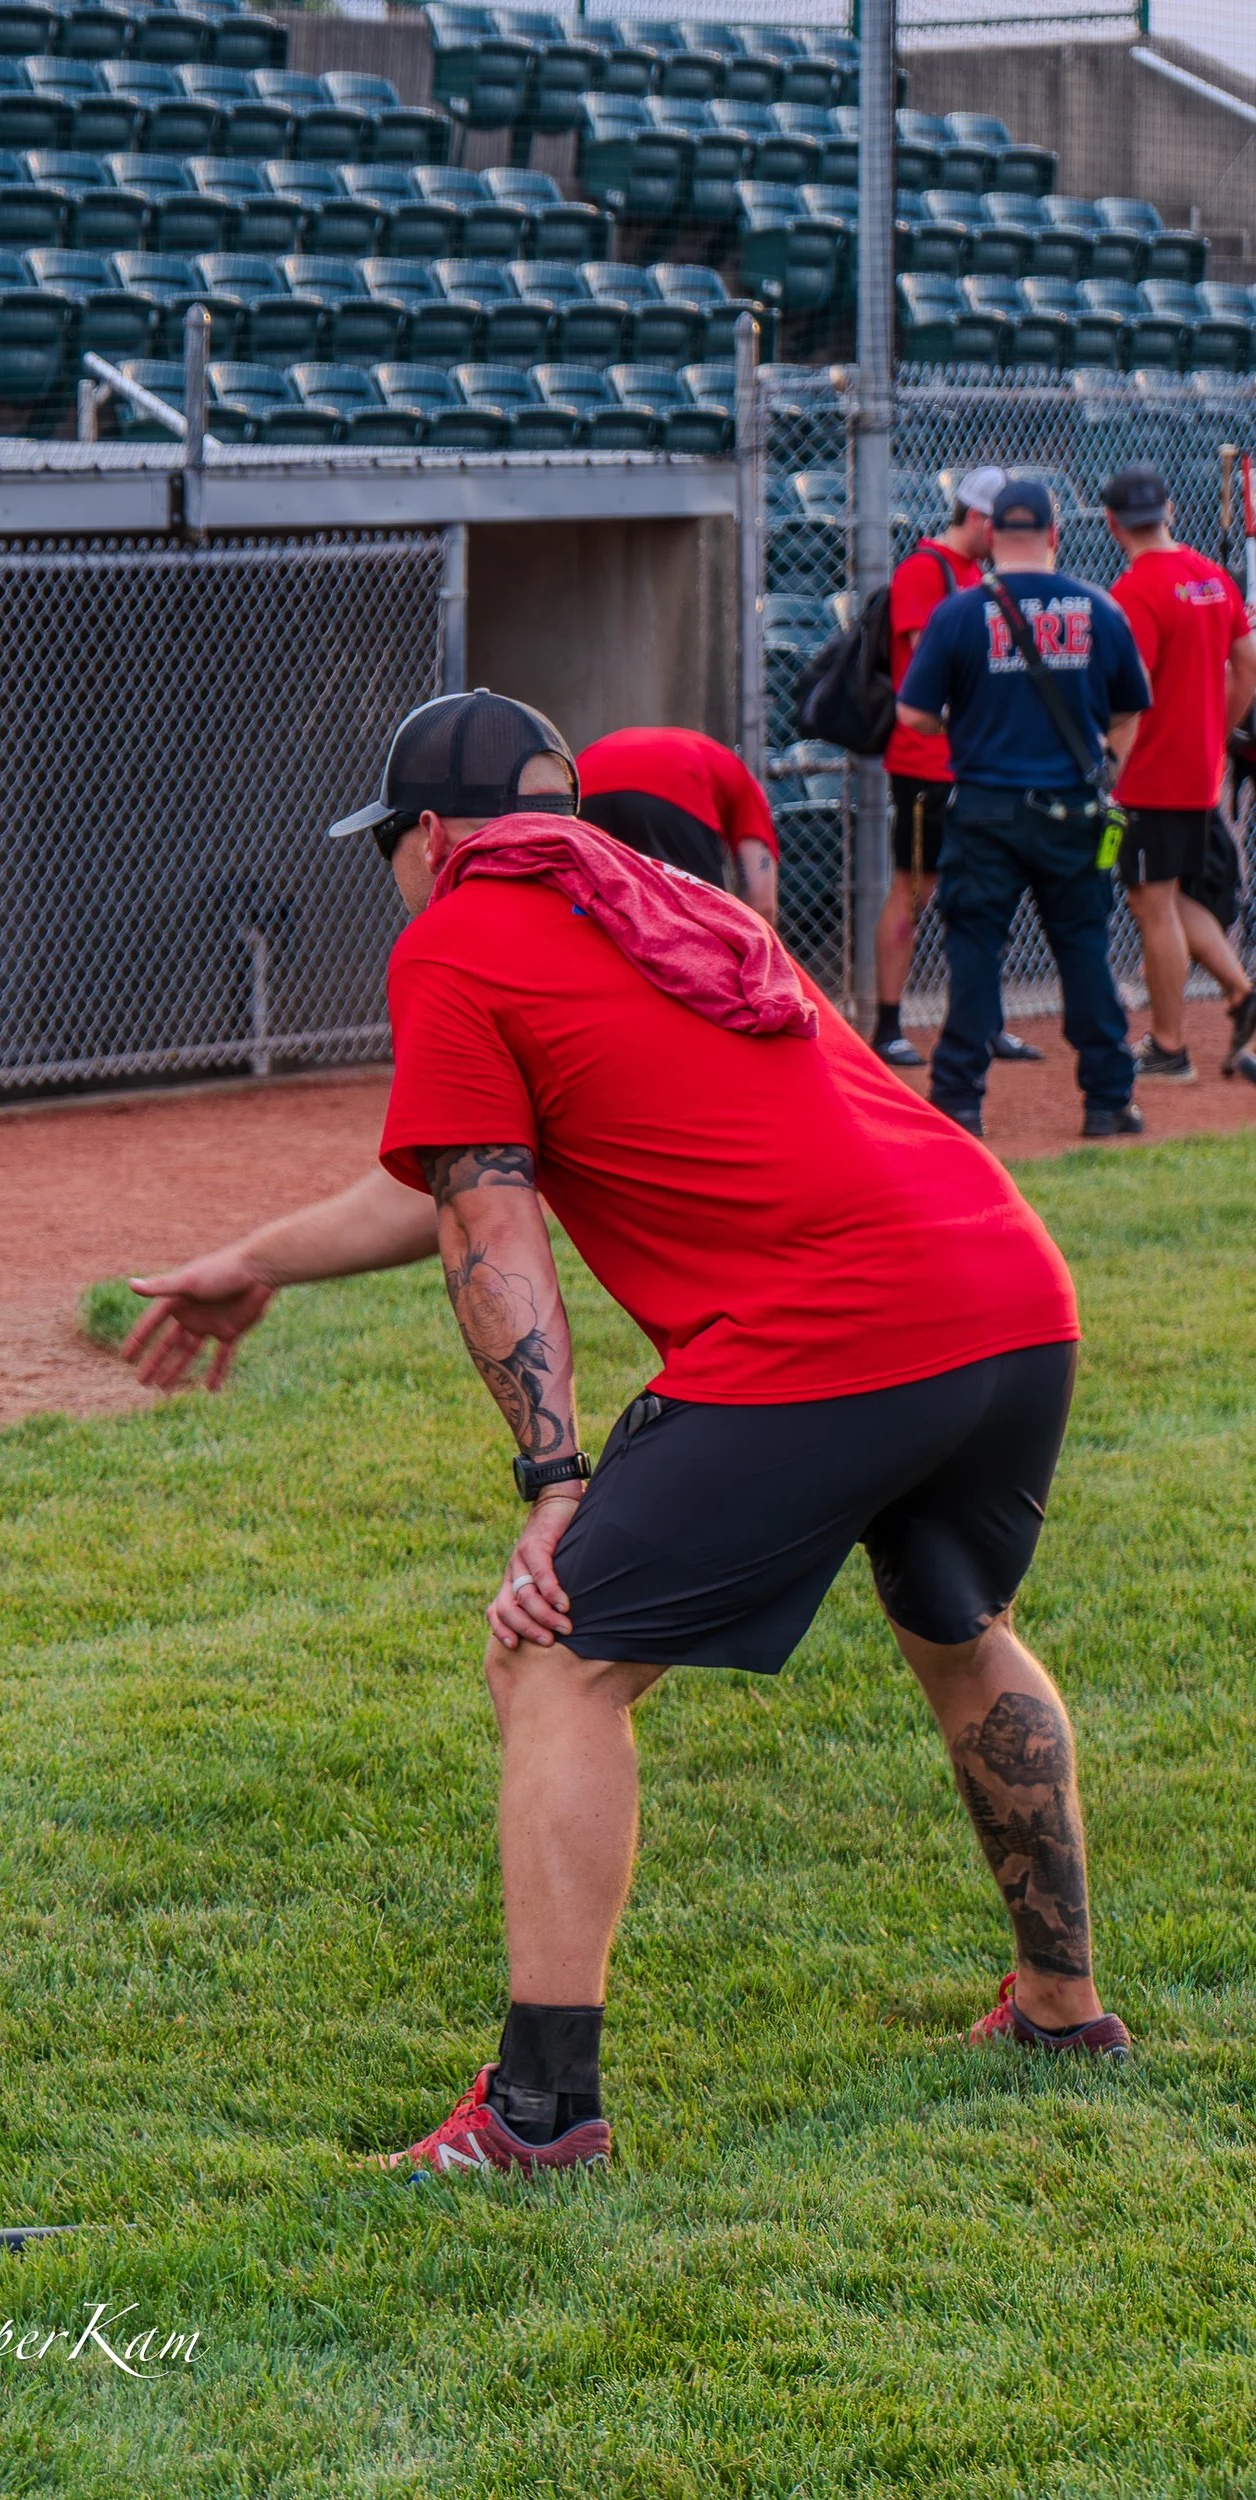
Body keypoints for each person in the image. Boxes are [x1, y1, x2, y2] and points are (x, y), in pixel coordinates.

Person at [299, 689, 1127, 2178]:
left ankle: (542, 2115)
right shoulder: (661, 895)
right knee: (957, 1620)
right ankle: (1065, 2010)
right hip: (1007, 1287)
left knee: (556, 1657)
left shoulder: (451, 936)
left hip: (836, 1325)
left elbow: (489, 1217)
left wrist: (555, 1479)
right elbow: (467, 1179)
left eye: (394, 851)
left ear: (429, 838)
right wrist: (257, 1260)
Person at [894, 476, 1151, 1142]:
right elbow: (1129, 708)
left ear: (991, 538)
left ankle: (958, 1102)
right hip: (1074, 809)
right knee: (1085, 950)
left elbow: (913, 713)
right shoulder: (1098, 608)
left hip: (985, 809)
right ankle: (1107, 1101)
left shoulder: (957, 612)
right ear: (1055, 535)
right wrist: (1109, 767)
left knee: (975, 950)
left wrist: (969, 723)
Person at [1100, 462, 1256, 1086]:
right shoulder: (1212, 577)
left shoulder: (1133, 591)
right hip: (1198, 769)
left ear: (1112, 524)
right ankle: (1243, 997)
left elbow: (1126, 698)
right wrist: (1217, 730)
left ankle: (1169, 1045)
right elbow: (1246, 662)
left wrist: (1110, 769)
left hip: (1148, 775)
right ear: (1168, 511)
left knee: (1152, 903)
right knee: (1167, 897)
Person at [874, 466, 1029, 1072]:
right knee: (914, 891)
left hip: (971, 764)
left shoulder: (971, 574)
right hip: (925, 767)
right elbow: (925, 682)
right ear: (980, 519)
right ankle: (887, 1024)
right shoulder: (924, 571)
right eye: (1004, 524)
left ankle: (984, 1021)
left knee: (987, 889)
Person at [575, 723, 780, 922]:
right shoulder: (745, 783)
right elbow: (762, 902)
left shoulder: (715, 762)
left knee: (591, 909)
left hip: (584, 777)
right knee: (700, 921)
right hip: (675, 784)